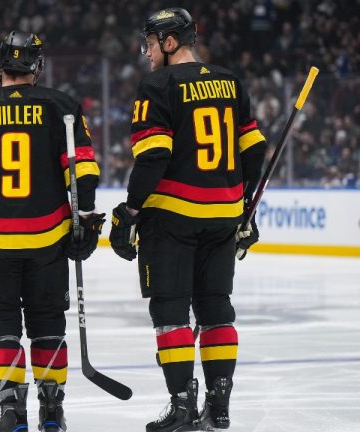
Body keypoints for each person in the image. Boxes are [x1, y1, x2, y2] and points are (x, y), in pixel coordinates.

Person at [108, 8, 266, 432]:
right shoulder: (230, 80)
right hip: (222, 217)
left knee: (171, 313)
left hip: (174, 216)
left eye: (151, 43)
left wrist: (131, 210)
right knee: (217, 311)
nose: (147, 51)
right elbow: (254, 150)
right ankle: (218, 408)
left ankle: (181, 408)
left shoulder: (158, 84)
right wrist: (245, 205)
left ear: (171, 41)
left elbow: (154, 155)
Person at [0, 31, 102, 432]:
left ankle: (11, 411)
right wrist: (83, 219)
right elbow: (82, 170)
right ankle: (52, 411)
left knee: (0, 325)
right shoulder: (61, 107)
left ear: (0, 69)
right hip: (46, 237)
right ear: (38, 67)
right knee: (48, 322)